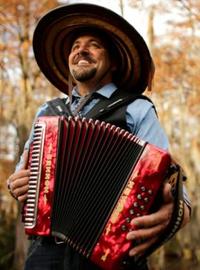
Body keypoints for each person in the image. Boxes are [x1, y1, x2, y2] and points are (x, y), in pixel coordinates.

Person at [7, 3, 191, 270]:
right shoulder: (46, 112)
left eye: (94, 45)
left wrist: (178, 212)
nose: (81, 50)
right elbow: (20, 177)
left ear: (114, 62)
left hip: (110, 255)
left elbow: (170, 181)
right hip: (45, 255)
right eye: (75, 46)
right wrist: (16, 185)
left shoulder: (136, 108)